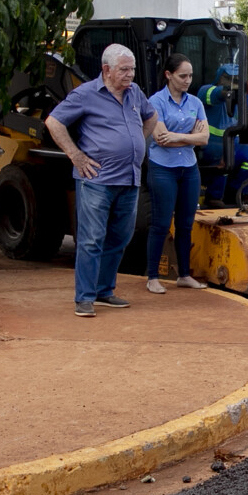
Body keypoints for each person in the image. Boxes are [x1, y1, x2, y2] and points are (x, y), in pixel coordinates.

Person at [45, 43, 157, 318]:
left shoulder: (135, 93)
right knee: (91, 239)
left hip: (129, 179)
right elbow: (53, 122)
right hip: (96, 180)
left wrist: (136, 142)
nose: (130, 75)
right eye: (124, 70)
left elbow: (151, 116)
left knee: (120, 237)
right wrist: (76, 155)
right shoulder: (85, 94)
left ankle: (104, 291)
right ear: (106, 70)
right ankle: (84, 298)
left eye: (132, 69)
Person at [144, 54, 211, 296]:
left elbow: (204, 138)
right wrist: (189, 138)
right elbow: (161, 139)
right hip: (163, 168)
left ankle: (184, 274)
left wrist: (178, 137)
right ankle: (152, 276)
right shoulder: (156, 101)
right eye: (182, 76)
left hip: (189, 168)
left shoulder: (195, 103)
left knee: (185, 223)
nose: (187, 80)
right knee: (161, 223)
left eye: (190, 76)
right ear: (168, 75)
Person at [196, 68, 248, 209]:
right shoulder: (206, 91)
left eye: (237, 79)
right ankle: (214, 197)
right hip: (206, 149)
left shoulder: (239, 97)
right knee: (223, 152)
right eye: (230, 79)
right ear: (220, 78)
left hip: (231, 148)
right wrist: (239, 87)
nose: (233, 83)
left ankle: (236, 193)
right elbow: (220, 93)